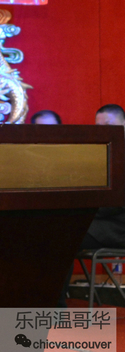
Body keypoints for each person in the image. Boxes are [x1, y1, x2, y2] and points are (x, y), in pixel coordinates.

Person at [58, 103, 125, 307]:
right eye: (99, 127)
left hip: (119, 225)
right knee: (51, 231)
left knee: (63, 236)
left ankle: (55, 307)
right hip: (98, 219)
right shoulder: (99, 153)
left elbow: (115, 202)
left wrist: (81, 210)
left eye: (109, 126)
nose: (104, 131)